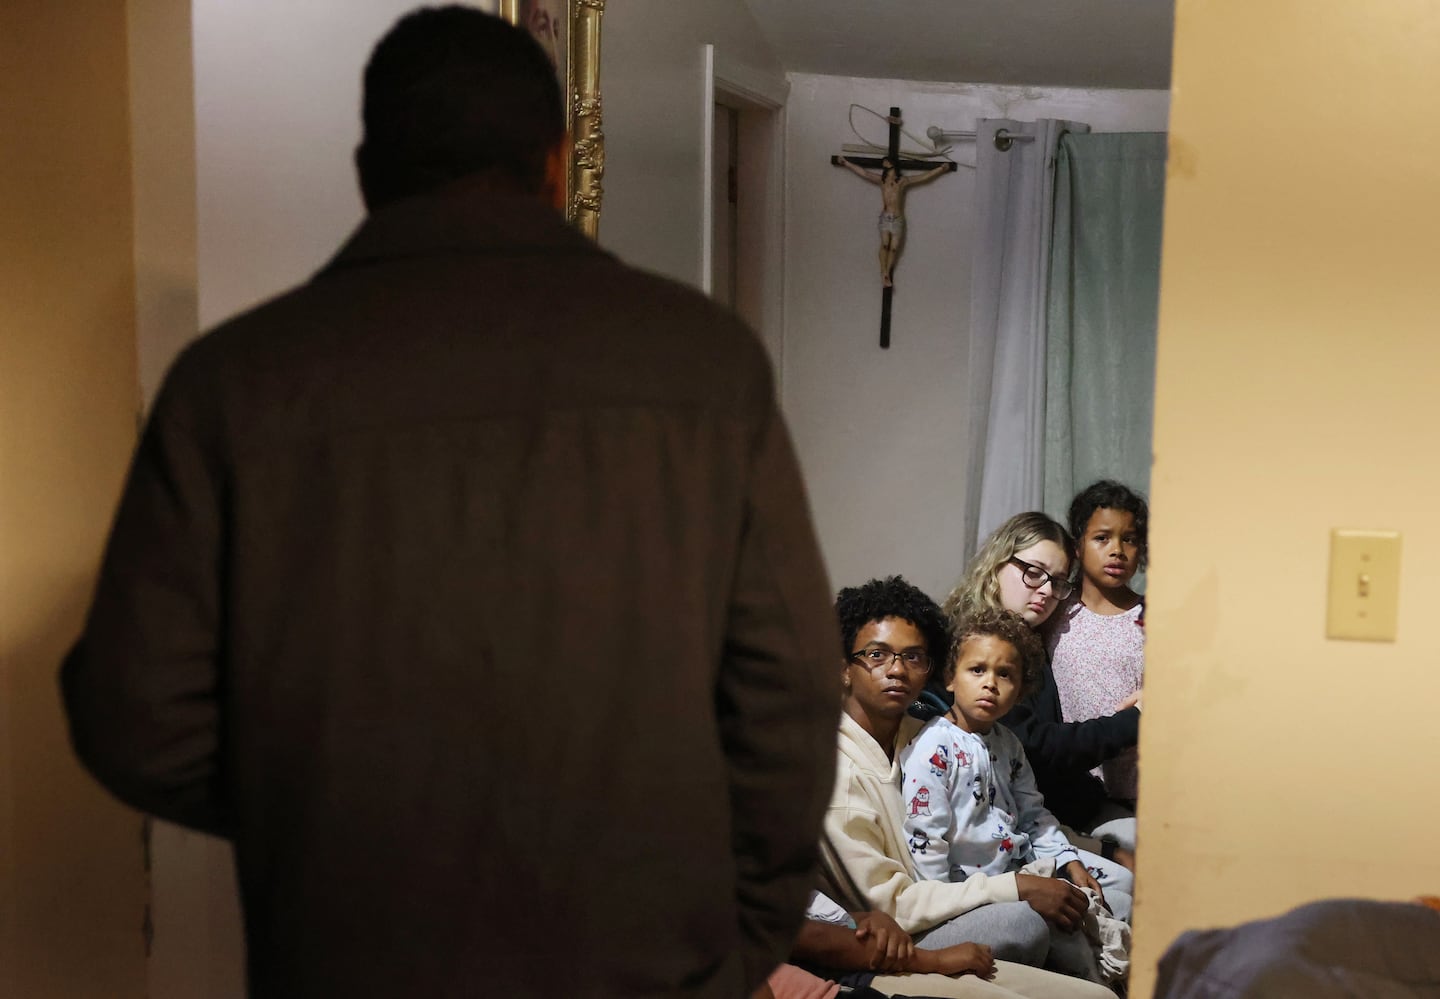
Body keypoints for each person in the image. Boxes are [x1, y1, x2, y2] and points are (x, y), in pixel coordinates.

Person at [59, 8, 839, 998]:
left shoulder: (234, 383)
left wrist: (320, 813)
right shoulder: (705, 364)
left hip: (349, 956)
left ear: (367, 172)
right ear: (555, 165)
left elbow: (135, 718)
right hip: (651, 960)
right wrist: (747, 937)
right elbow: (792, 691)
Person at [822, 577, 1113, 999]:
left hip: (963, 899)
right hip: (896, 941)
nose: (897, 669)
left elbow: (1016, 812)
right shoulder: (834, 772)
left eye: (913, 656)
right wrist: (1016, 887)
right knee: (1023, 923)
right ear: (844, 668)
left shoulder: (929, 734)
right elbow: (892, 909)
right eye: (876, 655)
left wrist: (1077, 854)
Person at [898, 608, 1134, 983]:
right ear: (950, 678)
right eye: (977, 670)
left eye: (1004, 674)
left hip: (1021, 867)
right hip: (969, 893)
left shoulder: (1008, 744)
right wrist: (947, 912)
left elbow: (1034, 815)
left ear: (1021, 689)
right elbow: (926, 840)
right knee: (1080, 945)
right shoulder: (932, 748)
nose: (990, 683)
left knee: (1121, 893)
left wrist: (1069, 861)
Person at [941, 513, 1140, 861]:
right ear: (998, 563)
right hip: (1015, 828)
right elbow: (1036, 747)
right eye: (1034, 573)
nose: (1047, 591)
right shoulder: (973, 645)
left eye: (1059, 581)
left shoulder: (1033, 641)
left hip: (1061, 811)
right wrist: (1135, 719)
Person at [1047, 481, 1149, 804]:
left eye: (1129, 539)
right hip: (1072, 791)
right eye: (1102, 538)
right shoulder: (1055, 608)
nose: (1117, 550)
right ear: (1077, 547)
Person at [836, 155, 951, 287]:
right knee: (885, 244)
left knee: (894, 248)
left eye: (886, 161)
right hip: (885, 216)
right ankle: (884, 273)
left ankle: (887, 272)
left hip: (897, 217)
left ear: (892, 163)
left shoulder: (902, 181)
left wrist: (941, 169)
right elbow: (864, 173)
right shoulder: (882, 180)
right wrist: (846, 163)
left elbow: (923, 177)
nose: (883, 163)